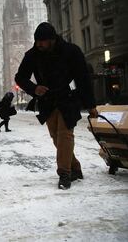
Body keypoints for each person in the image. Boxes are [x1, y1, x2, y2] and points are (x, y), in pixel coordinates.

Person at [14, 22, 98, 190]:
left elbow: (83, 79)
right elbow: (20, 77)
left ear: (52, 39)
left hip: (67, 99)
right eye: (37, 41)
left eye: (42, 41)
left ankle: (64, 174)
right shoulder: (33, 54)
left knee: (65, 135)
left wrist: (90, 106)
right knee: (56, 138)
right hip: (47, 101)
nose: (39, 44)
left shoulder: (71, 51)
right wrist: (34, 88)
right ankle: (75, 167)